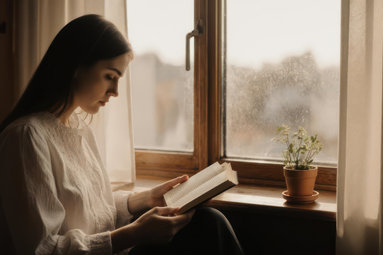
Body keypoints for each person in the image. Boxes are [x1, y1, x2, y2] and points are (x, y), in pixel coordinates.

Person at [0, 14, 243, 255]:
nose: (115, 91)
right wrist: (134, 233)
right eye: (110, 77)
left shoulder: (80, 131)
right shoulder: (26, 138)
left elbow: (92, 212)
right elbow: (41, 249)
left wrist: (148, 199)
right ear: (76, 66)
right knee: (209, 226)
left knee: (208, 220)